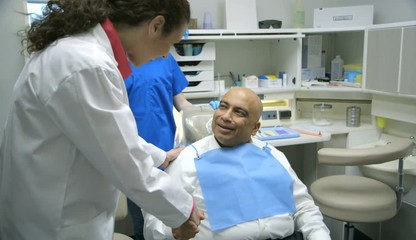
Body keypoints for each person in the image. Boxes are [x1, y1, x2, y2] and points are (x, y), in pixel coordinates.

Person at [0, 0, 204, 239]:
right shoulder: (86, 64)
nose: (164, 54)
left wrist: (162, 156)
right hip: (55, 226)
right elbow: (126, 163)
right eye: (170, 43)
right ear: (156, 26)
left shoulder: (77, 52)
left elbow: (113, 138)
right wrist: (183, 209)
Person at [143, 87, 331, 240]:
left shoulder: (273, 155)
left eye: (239, 112)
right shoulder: (190, 159)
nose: (226, 116)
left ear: (255, 128)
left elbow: (303, 207)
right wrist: (174, 233)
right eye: (223, 107)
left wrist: (319, 236)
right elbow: (154, 221)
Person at [125, 53, 192, 240]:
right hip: (131, 154)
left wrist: (206, 114)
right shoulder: (116, 60)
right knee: (141, 223)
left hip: (168, 152)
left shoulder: (166, 59)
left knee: (166, 222)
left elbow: (182, 102)